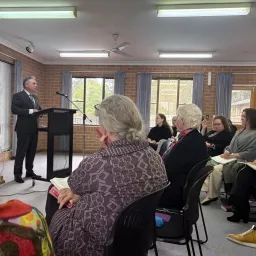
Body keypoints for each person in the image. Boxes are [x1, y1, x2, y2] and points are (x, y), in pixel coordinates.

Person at [46, 95, 168, 256]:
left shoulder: (98, 162)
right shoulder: (155, 157)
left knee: (54, 195)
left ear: (106, 129)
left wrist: (103, 149)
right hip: (137, 239)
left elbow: (73, 182)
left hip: (95, 243)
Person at [202, 108, 256, 205]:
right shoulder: (239, 131)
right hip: (230, 158)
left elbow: (251, 152)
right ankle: (212, 194)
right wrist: (227, 152)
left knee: (215, 170)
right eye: (241, 116)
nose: (241, 118)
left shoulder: (254, 134)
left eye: (244, 116)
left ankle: (212, 195)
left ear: (250, 118)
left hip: (243, 161)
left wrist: (232, 155)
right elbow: (229, 146)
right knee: (210, 168)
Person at [159, 104, 208, 209]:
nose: (175, 121)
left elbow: (166, 170)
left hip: (172, 194)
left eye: (177, 118)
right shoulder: (197, 138)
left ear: (183, 121)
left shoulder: (185, 144)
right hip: (183, 190)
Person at [11, 76, 41, 183]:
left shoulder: (35, 98)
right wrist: (30, 111)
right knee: (21, 152)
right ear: (26, 85)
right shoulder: (18, 96)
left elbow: (39, 110)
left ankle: (29, 171)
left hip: (34, 129)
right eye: (34, 83)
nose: (36, 85)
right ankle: (17, 174)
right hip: (23, 128)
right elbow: (14, 109)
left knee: (31, 152)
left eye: (36, 83)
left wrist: (42, 112)